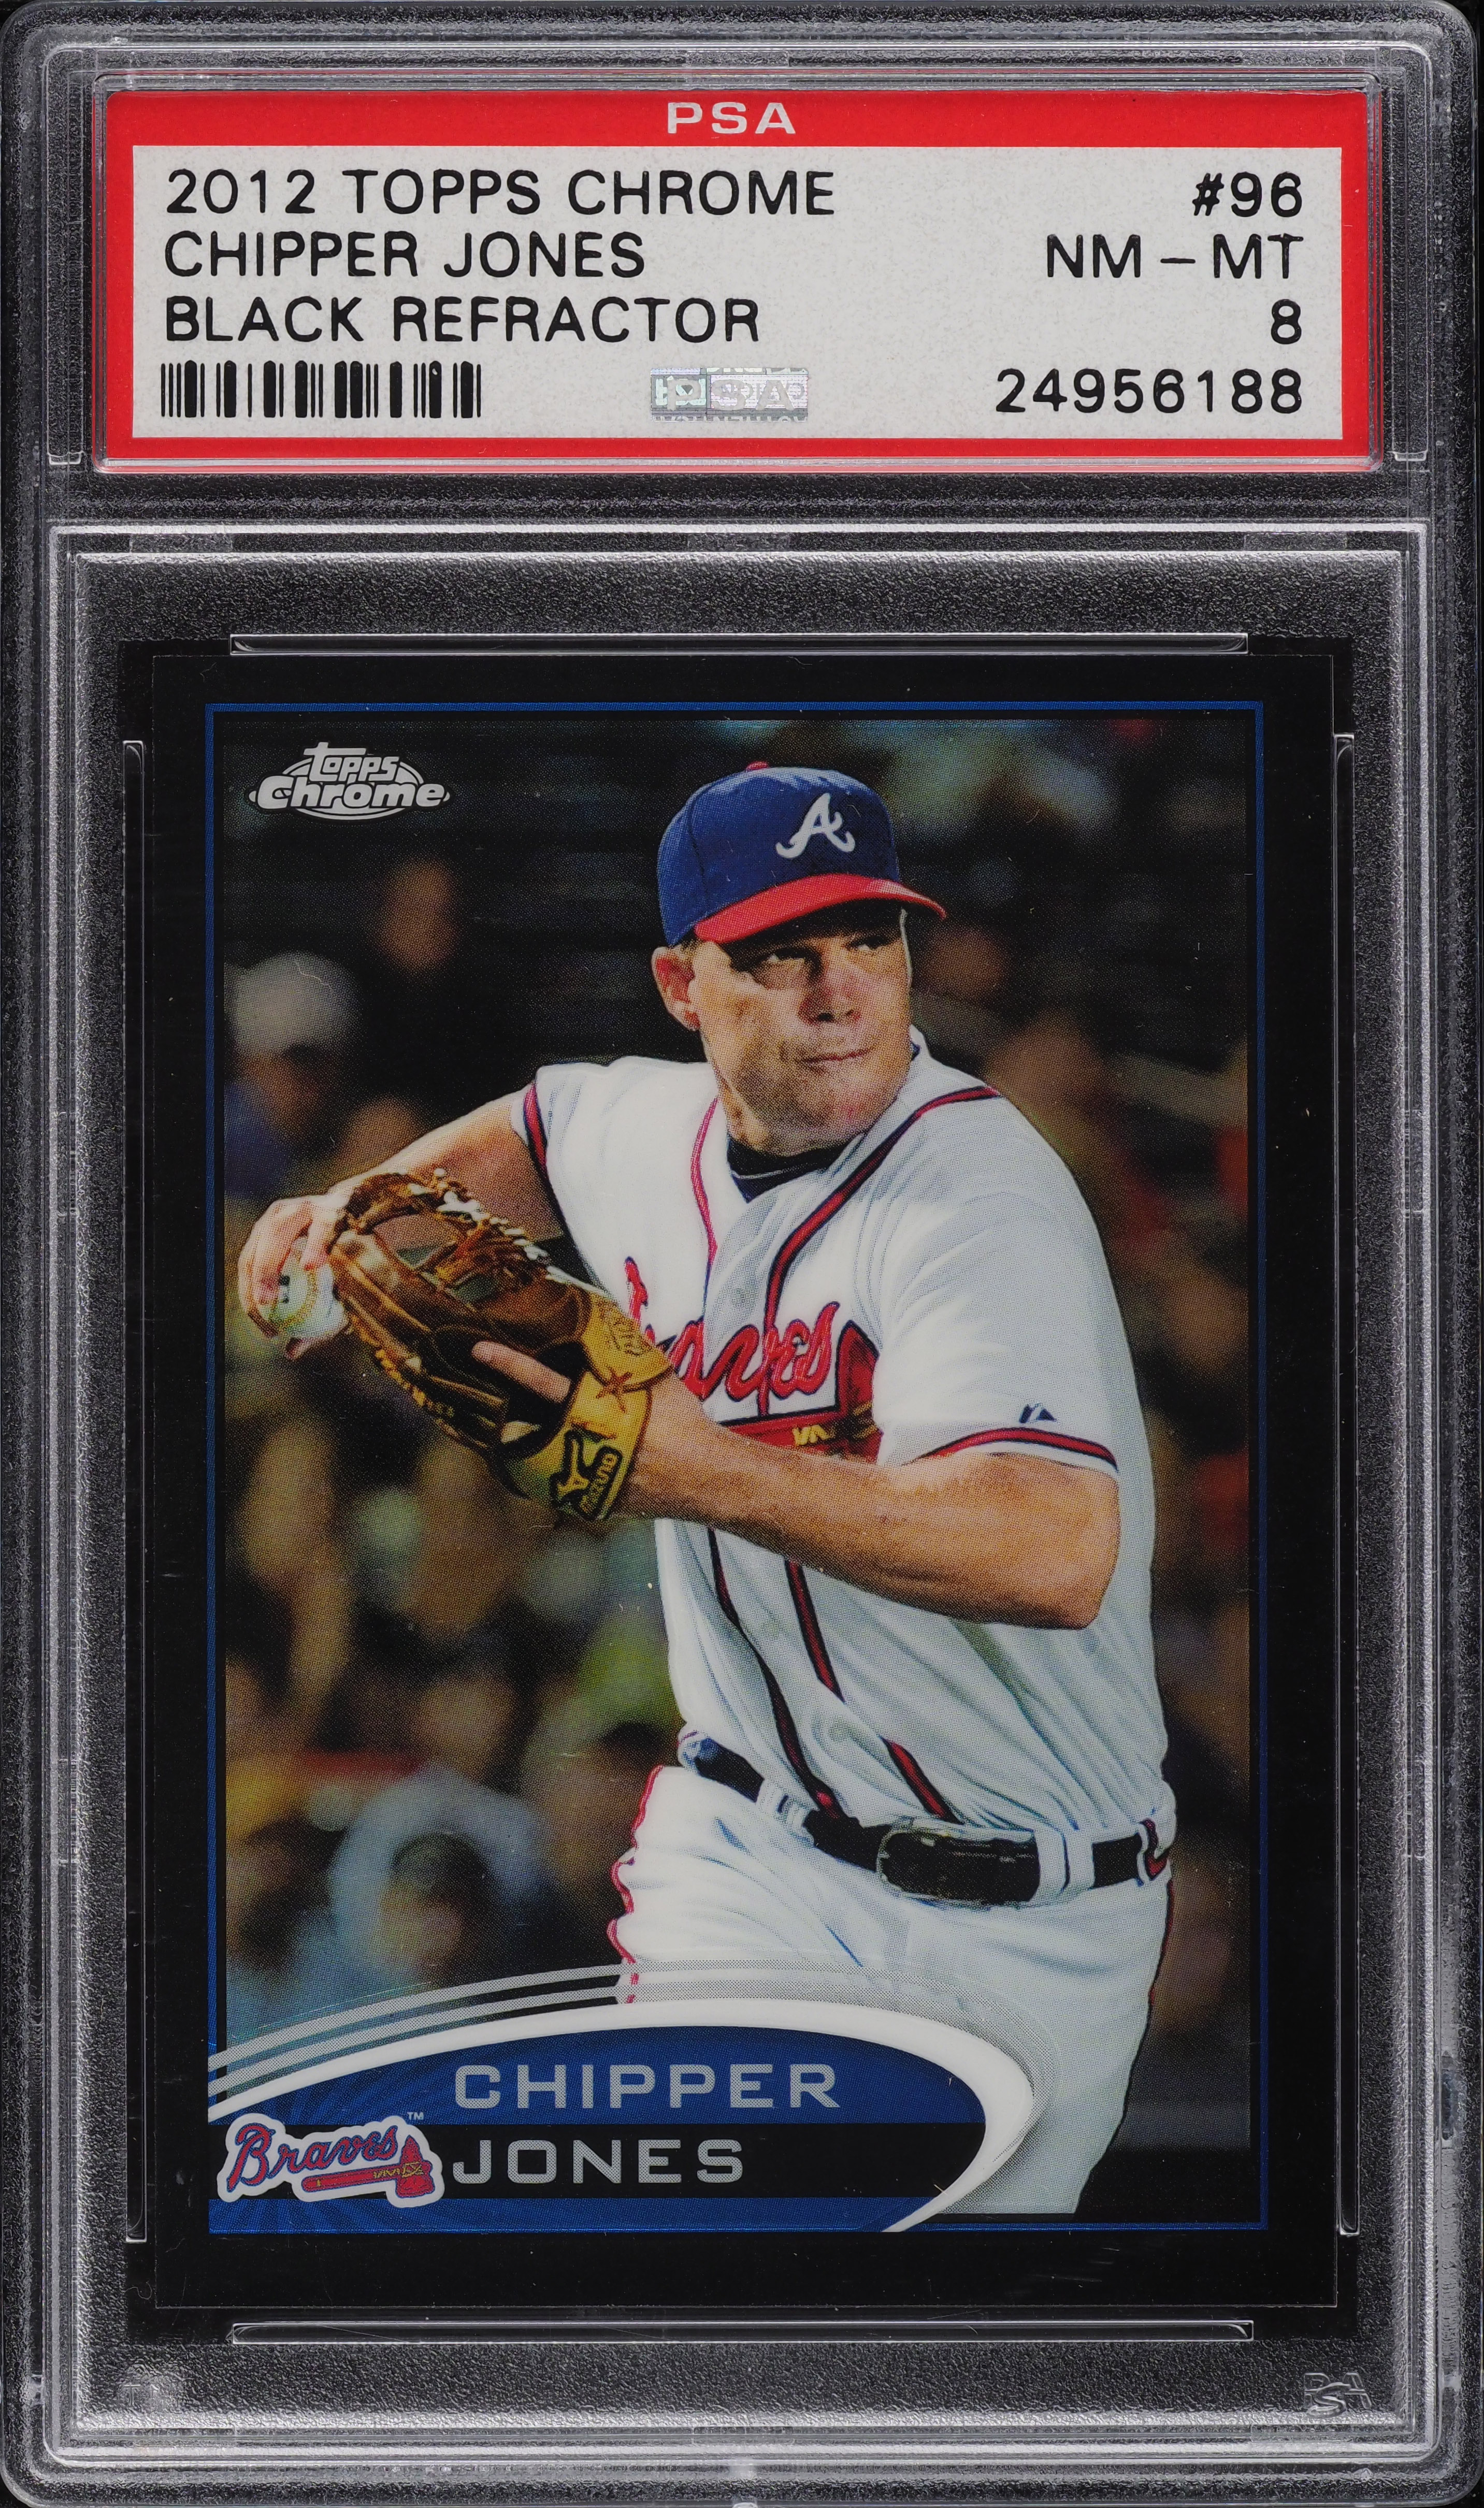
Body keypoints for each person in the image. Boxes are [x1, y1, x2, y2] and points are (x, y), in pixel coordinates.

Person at [239, 763, 1173, 2213]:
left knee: (890, 2337)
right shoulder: (643, 1129)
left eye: (869, 939)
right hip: (753, 1842)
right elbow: (537, 1130)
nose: (839, 992)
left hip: (1023, 1910)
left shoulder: (978, 1194)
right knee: (691, 2268)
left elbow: (1052, 1553)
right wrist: (347, 1214)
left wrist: (691, 1468)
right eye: (783, 954)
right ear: (684, 985)